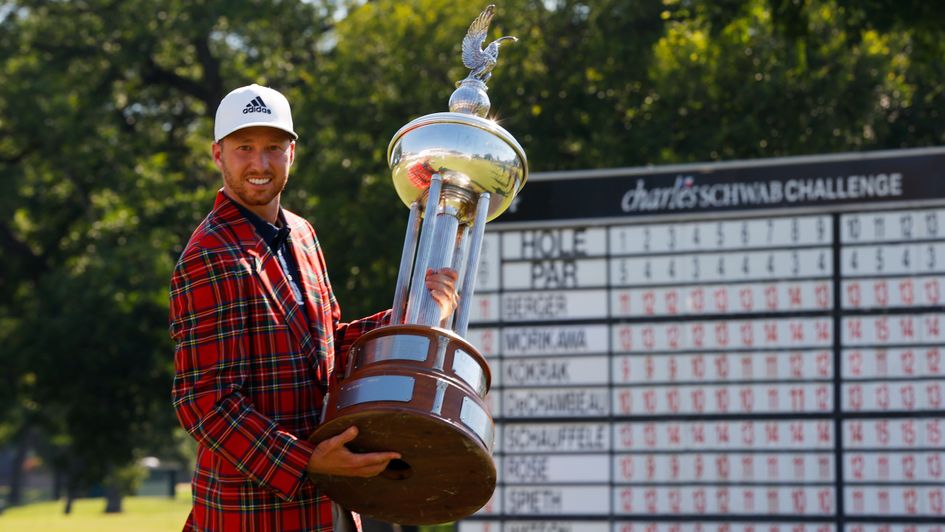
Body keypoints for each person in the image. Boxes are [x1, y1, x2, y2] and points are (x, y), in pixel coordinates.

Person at [170, 84, 459, 532]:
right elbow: (205, 403)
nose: (260, 164)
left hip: (328, 504)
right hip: (253, 514)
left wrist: (414, 315)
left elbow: (330, 347)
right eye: (244, 147)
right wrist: (307, 461)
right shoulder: (209, 255)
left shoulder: (303, 234)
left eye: (273, 147)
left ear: (292, 152)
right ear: (217, 155)